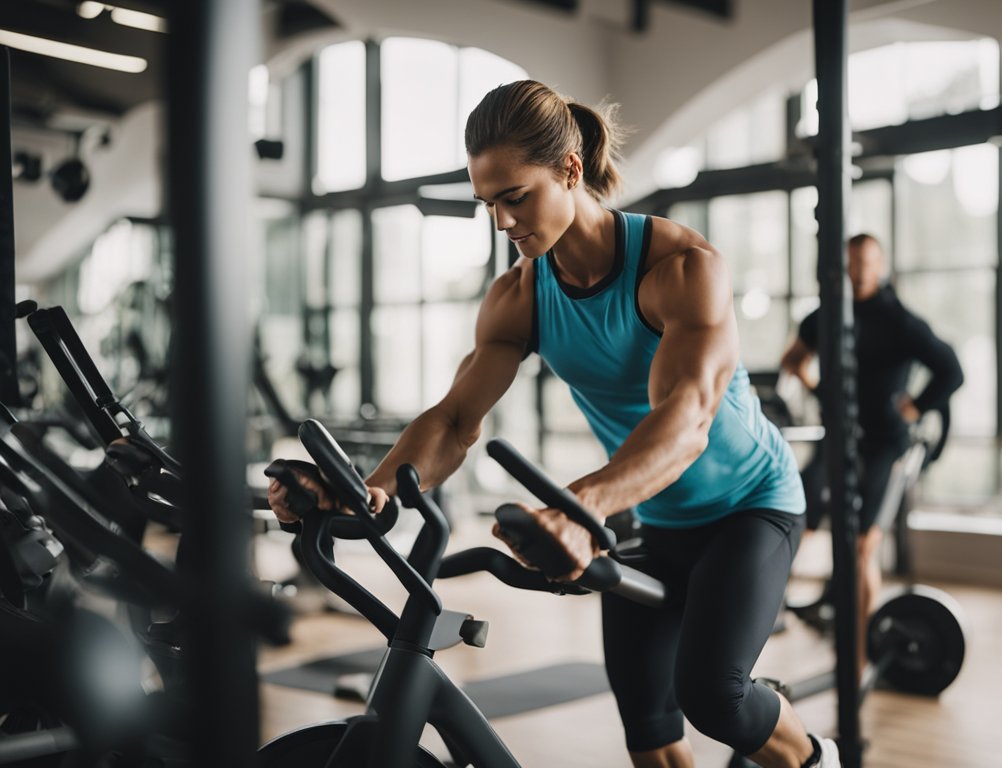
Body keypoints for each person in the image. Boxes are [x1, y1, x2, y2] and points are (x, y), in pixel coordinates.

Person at [268, 80, 839, 768]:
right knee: (650, 731)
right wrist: (372, 489)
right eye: (488, 204)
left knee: (712, 696)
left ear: (570, 170)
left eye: (516, 197)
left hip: (750, 507)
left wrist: (583, 509)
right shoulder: (520, 294)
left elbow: (686, 419)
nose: (503, 223)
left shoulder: (678, 268)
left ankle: (817, 757)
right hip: (650, 522)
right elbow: (454, 420)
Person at [779, 233, 963, 669]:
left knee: (863, 544)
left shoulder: (899, 320)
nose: (858, 271)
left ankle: (858, 652)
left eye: (866, 263)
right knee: (794, 513)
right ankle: (771, 612)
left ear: (879, 267)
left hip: (885, 442)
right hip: (839, 437)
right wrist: (819, 390)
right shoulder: (825, 316)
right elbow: (793, 360)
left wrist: (916, 406)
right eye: (851, 262)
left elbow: (951, 371)